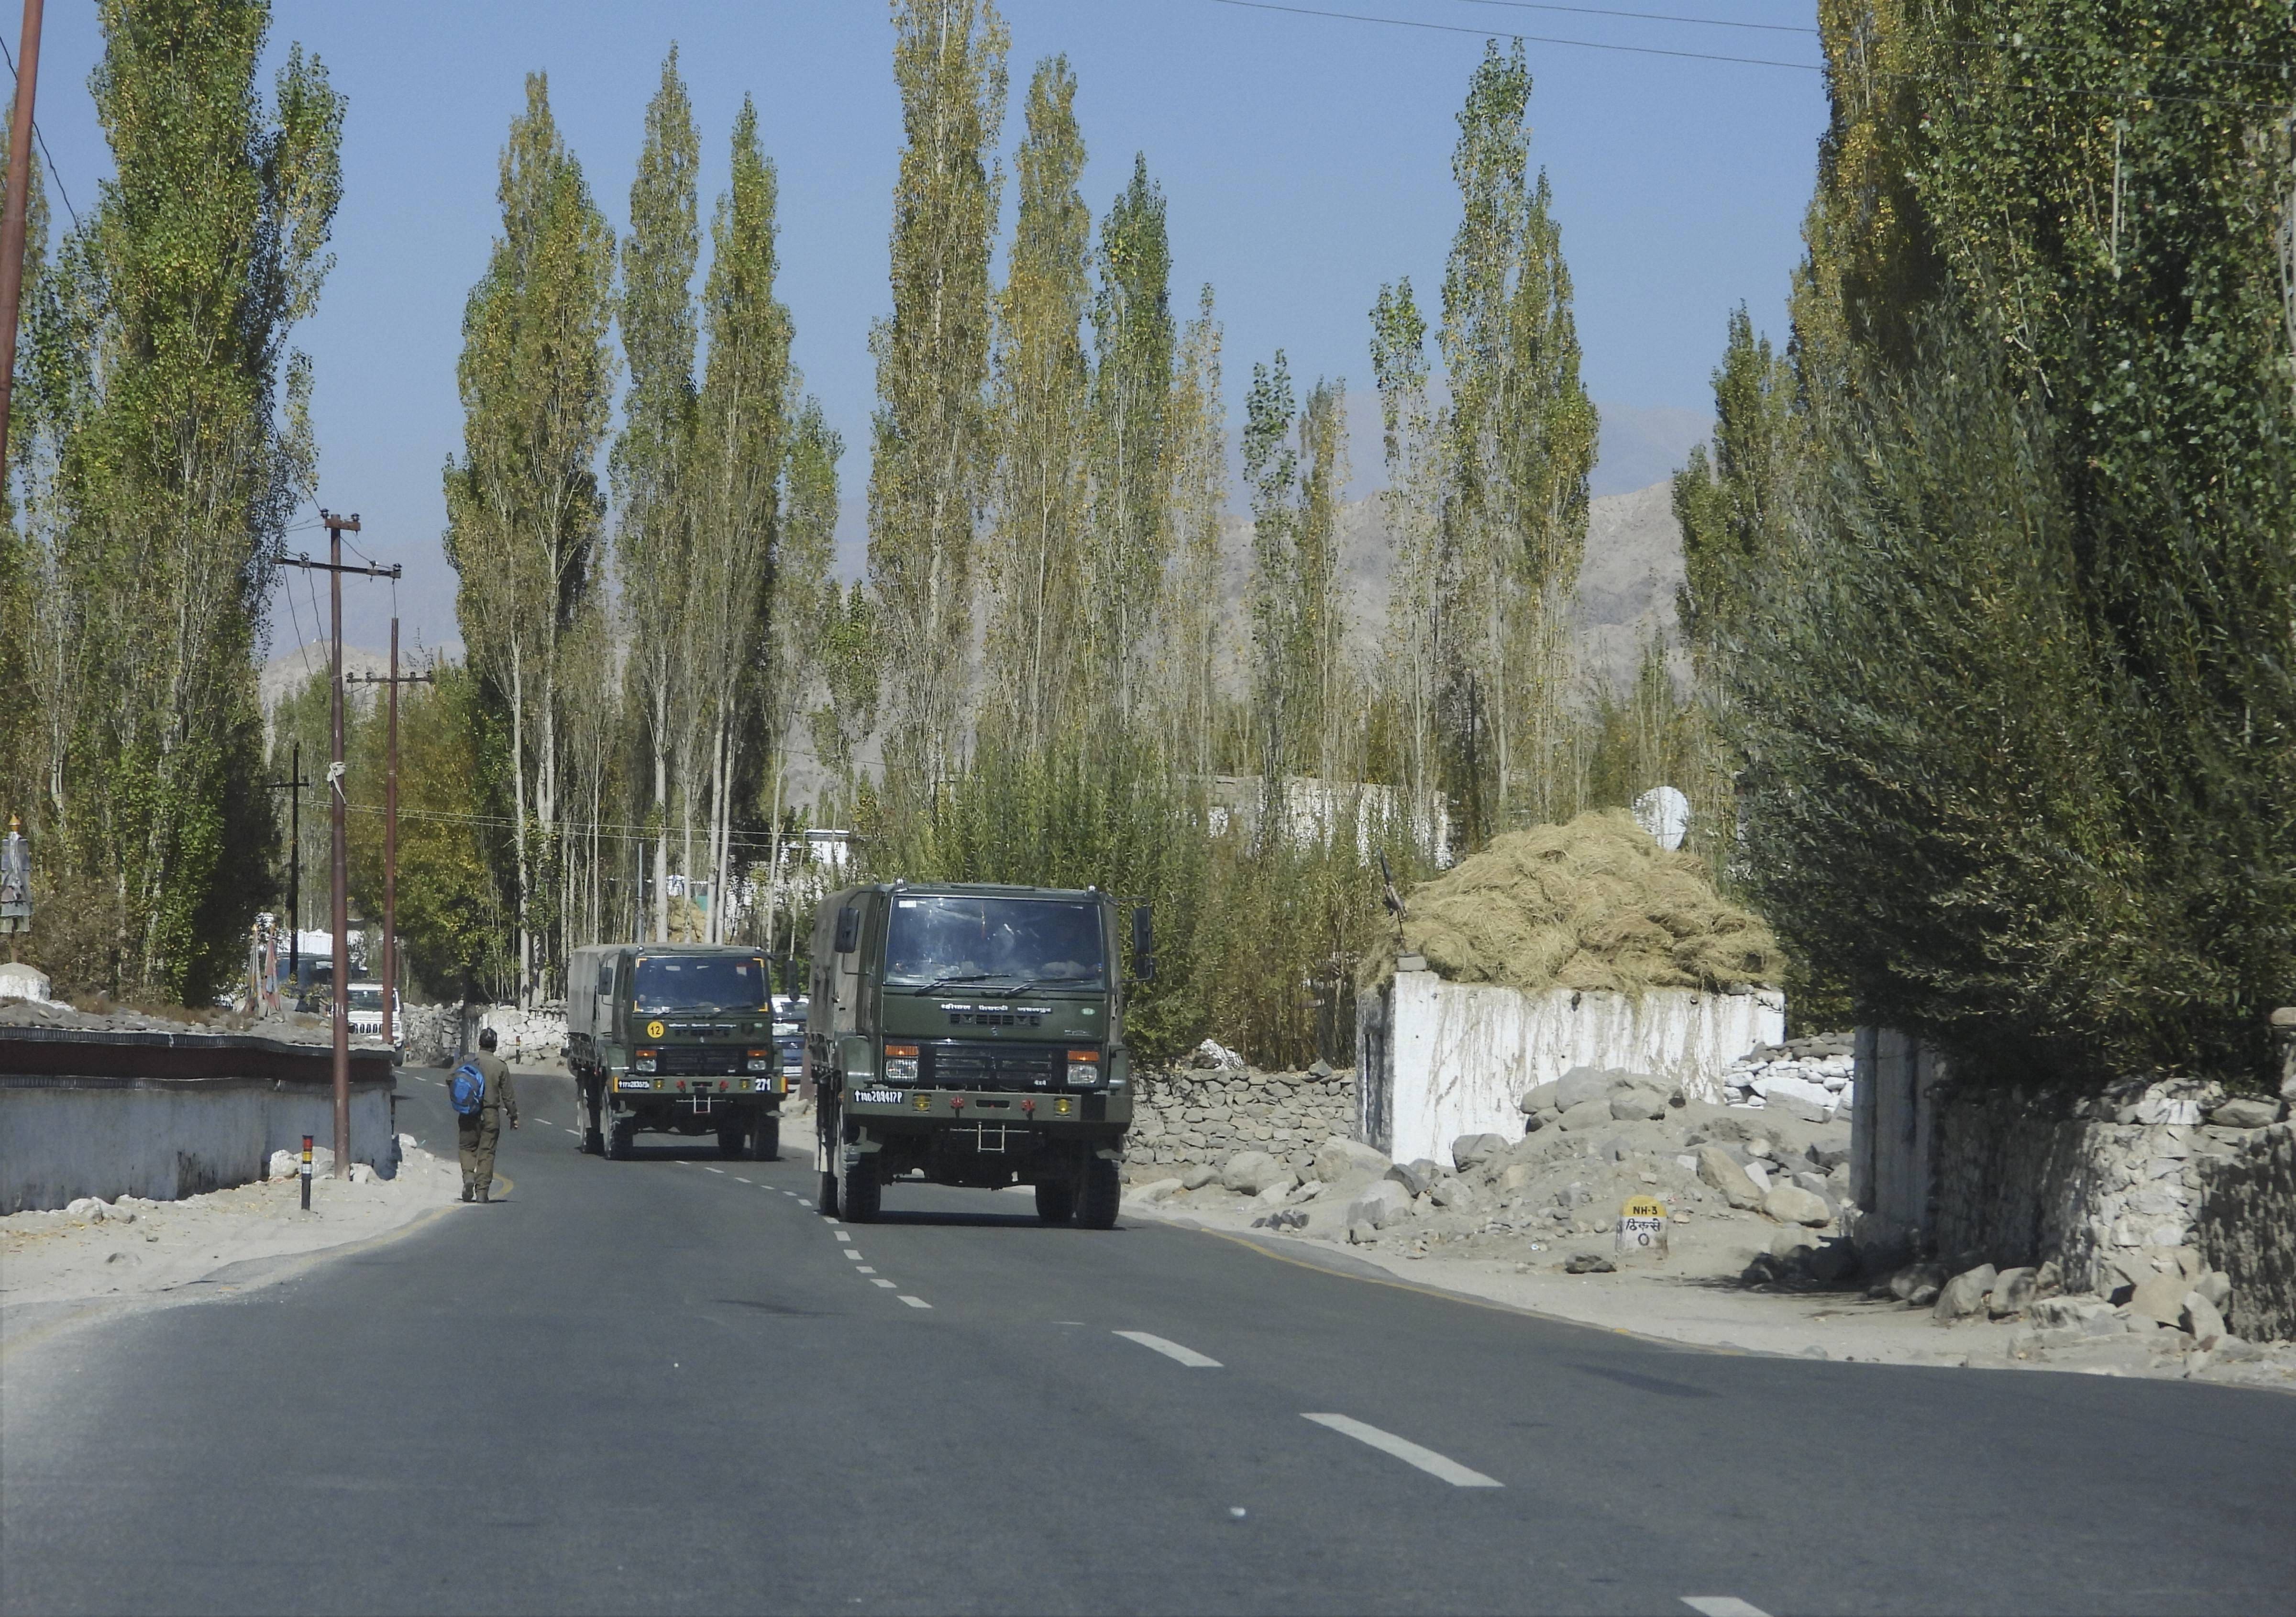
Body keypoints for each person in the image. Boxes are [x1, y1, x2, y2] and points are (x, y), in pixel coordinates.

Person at [459, 1027, 518, 1203]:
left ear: (479, 1043)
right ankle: (482, 1192)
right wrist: (514, 1117)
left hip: (469, 1112)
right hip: (491, 1114)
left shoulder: (466, 1061)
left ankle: (469, 1176)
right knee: (487, 1152)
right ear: (495, 1046)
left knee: (467, 1147)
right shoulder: (500, 1066)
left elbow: (450, 1079)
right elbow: (508, 1097)